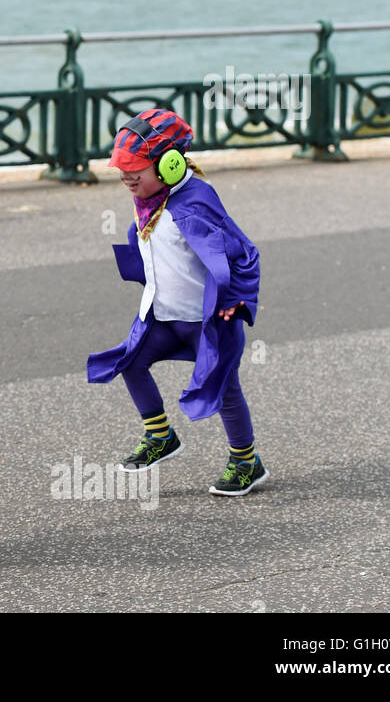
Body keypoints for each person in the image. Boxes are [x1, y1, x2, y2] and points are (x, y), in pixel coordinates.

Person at [87, 108, 267, 496]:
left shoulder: (196, 201)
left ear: (169, 165)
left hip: (207, 323)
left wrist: (237, 298)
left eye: (135, 169)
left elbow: (244, 252)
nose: (126, 177)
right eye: (122, 170)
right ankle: (161, 436)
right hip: (164, 319)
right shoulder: (149, 200)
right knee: (130, 363)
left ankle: (246, 462)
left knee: (224, 389)